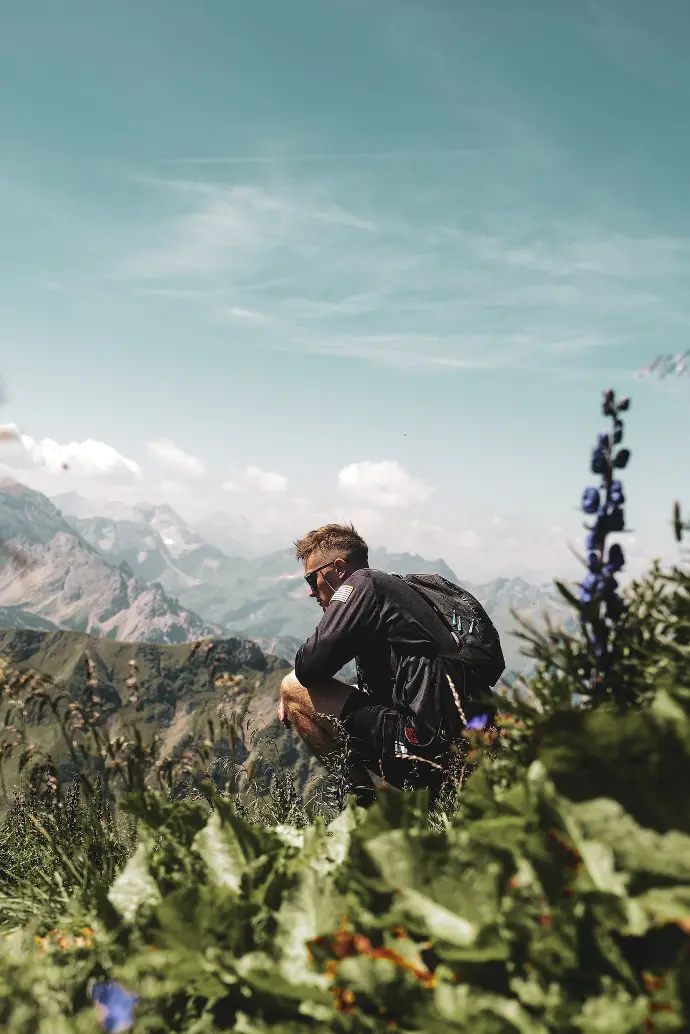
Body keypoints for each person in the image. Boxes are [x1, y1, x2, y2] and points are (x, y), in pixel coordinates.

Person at [278, 523, 501, 804]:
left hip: (425, 751)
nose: (311, 592)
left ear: (338, 569)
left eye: (312, 580)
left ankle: (363, 806)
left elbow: (308, 669)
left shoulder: (362, 584)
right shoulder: (404, 590)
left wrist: (295, 692)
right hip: (469, 747)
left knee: (291, 688)